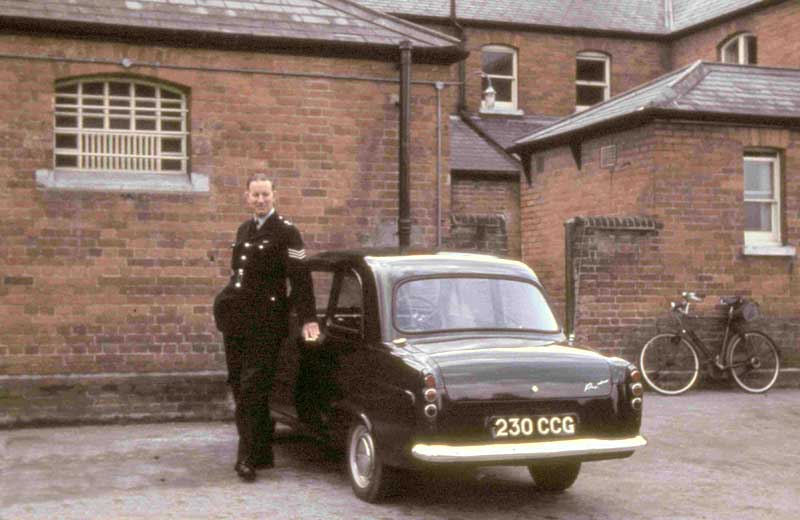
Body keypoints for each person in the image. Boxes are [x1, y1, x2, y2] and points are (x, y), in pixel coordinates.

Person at [213, 173, 320, 482]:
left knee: (252, 388)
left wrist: (308, 318)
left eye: (265, 195)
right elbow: (239, 275)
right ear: (247, 198)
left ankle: (245, 458)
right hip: (238, 322)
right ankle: (261, 452)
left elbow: (300, 279)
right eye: (255, 195)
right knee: (238, 384)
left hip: (267, 323)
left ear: (275, 195)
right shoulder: (244, 229)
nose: (260, 200)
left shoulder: (287, 232)